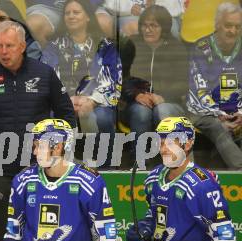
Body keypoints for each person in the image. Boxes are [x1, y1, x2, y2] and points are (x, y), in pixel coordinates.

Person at [0, 20, 75, 241]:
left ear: (23, 46)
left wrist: (61, 151)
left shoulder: (44, 73)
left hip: (41, 169)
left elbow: (67, 115)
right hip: (1, 169)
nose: (3, 52)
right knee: (6, 234)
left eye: (9, 45)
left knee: (44, 232)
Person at [0, 118, 128, 241]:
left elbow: (104, 228)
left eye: (38, 146)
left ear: (58, 146)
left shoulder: (89, 181)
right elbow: (14, 228)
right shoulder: (23, 180)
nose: (34, 152)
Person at [126, 116, 240, 241]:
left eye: (171, 143)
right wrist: (144, 229)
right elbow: (156, 215)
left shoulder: (202, 183)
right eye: (161, 142)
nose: (164, 148)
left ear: (188, 144)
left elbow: (222, 226)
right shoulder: (153, 178)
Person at [41, 0, 121, 167]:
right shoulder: (54, 46)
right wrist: (67, 100)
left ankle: (106, 168)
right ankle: (57, 166)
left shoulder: (105, 47)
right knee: (51, 119)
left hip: (97, 103)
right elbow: (47, 77)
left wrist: (92, 101)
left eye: (76, 12)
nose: (71, 16)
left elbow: (113, 79)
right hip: (63, 102)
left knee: (103, 118)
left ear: (88, 17)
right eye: (67, 13)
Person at [120, 5, 188, 165]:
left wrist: (163, 95)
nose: (147, 30)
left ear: (163, 28)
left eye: (153, 25)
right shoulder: (132, 44)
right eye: (144, 25)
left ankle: (173, 162)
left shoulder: (176, 48)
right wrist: (136, 94)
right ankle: (140, 164)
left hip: (170, 102)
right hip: (135, 102)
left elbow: (184, 82)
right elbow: (119, 78)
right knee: (141, 113)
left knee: (162, 110)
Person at [187, 2, 242, 169]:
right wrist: (220, 114)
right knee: (219, 128)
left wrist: (240, 112)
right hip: (206, 112)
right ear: (217, 25)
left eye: (238, 26)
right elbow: (198, 89)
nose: (233, 31)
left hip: (237, 111)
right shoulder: (202, 48)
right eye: (228, 25)